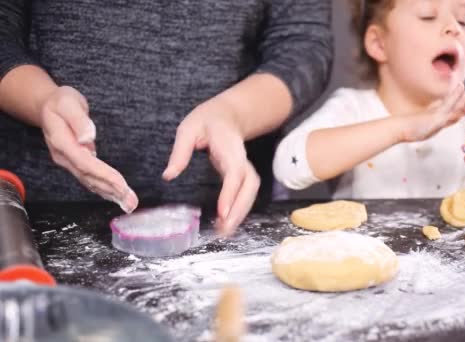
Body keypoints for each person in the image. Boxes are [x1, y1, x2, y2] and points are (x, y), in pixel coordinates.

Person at [0, 0, 333, 234]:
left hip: (220, 219)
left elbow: (303, 45)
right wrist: (43, 101)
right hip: (39, 219)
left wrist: (234, 113)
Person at [273, 0, 465, 199]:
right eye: (427, 15)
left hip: (444, 276)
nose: (452, 29)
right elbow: (288, 166)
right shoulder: (354, 109)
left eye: (463, 21)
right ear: (379, 43)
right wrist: (403, 128)